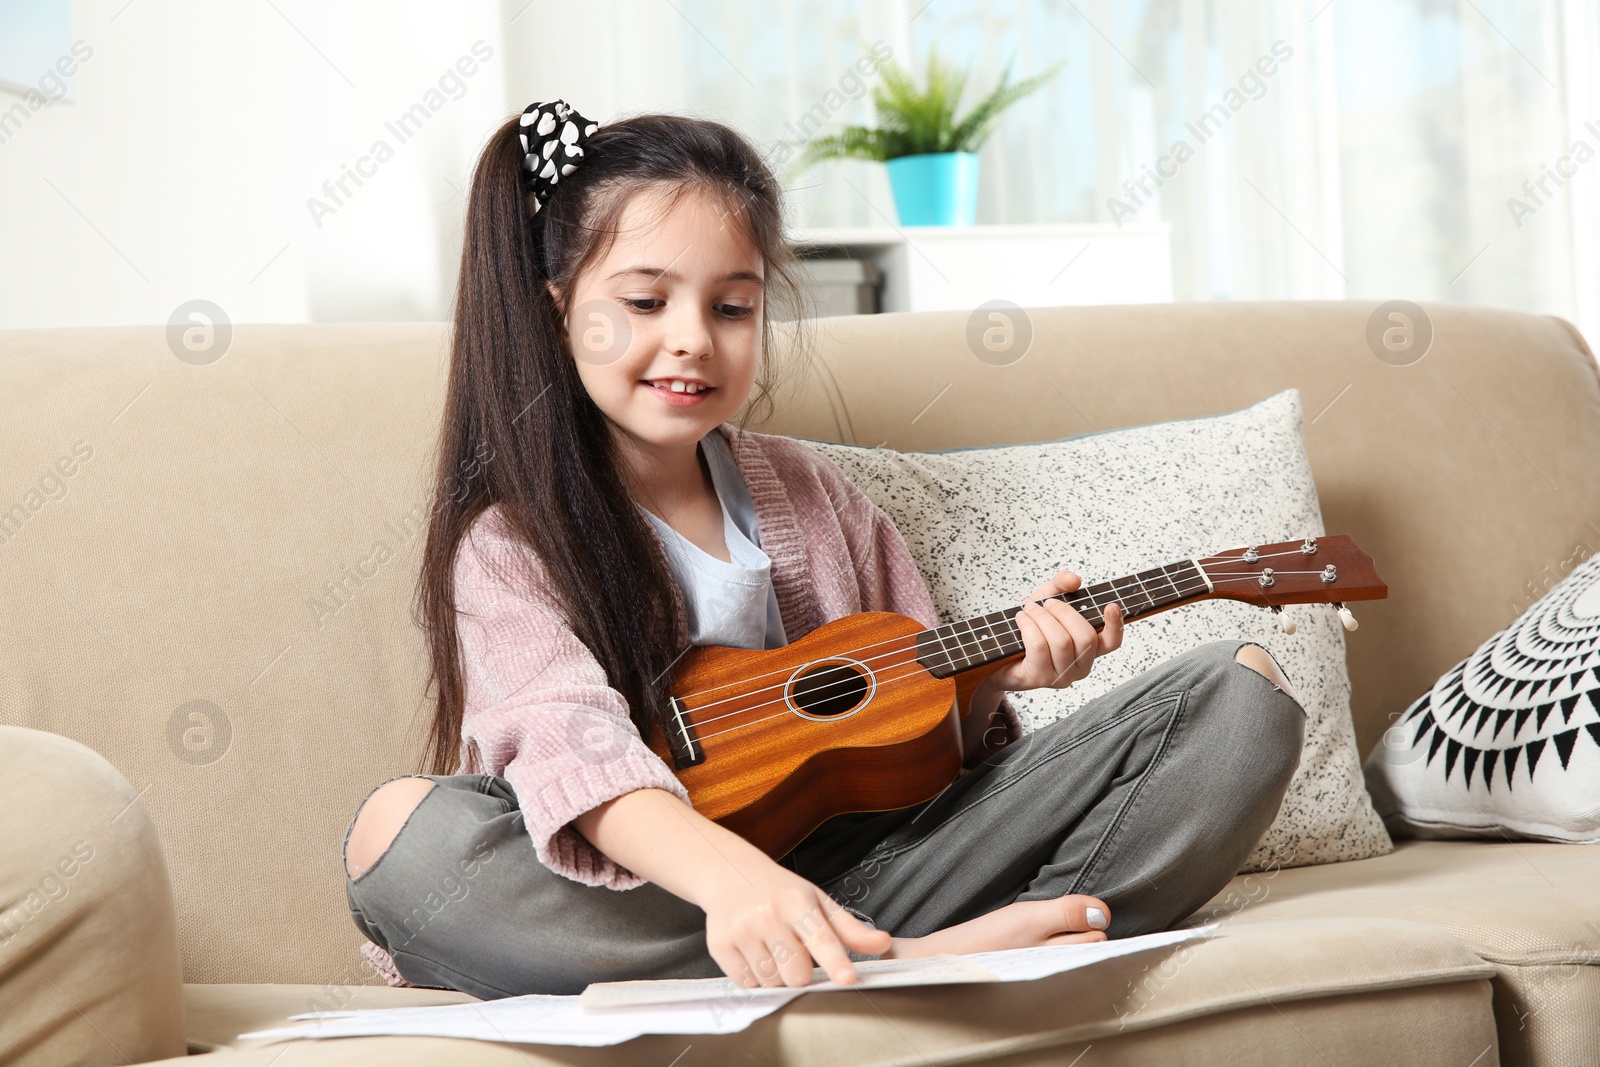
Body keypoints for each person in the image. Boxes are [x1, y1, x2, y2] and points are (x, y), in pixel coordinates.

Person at [340, 99, 1307, 1000]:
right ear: (559, 310)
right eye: (644, 303)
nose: (693, 341)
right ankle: (910, 966)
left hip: (879, 866)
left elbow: (926, 762)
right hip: (663, 896)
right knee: (403, 838)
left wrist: (988, 684)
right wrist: (737, 887)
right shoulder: (511, 540)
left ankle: (855, 950)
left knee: (1242, 697)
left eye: (732, 307)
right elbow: (571, 749)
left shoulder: (815, 497)